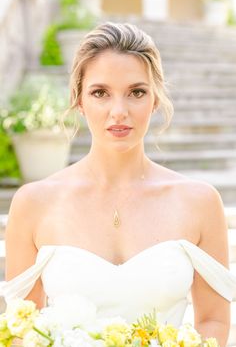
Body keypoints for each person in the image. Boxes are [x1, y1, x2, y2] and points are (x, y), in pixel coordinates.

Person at [1, 22, 236, 347]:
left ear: (155, 99)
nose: (119, 111)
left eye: (136, 92)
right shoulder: (34, 204)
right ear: (79, 101)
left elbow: (214, 319)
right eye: (100, 93)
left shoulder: (199, 203)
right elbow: (21, 330)